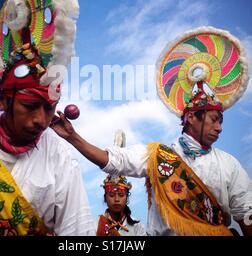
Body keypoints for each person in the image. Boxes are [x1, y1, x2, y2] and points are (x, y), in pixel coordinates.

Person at [51, 80, 252, 236]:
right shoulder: (158, 156)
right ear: (191, 117)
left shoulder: (229, 165)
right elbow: (114, 160)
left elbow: (246, 212)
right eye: (214, 120)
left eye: (221, 121)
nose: (220, 127)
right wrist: (73, 137)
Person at [0, 44, 95, 236]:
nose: (41, 120)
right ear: (1, 100)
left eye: (49, 108)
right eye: (30, 106)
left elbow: (78, 234)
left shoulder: (59, 156)